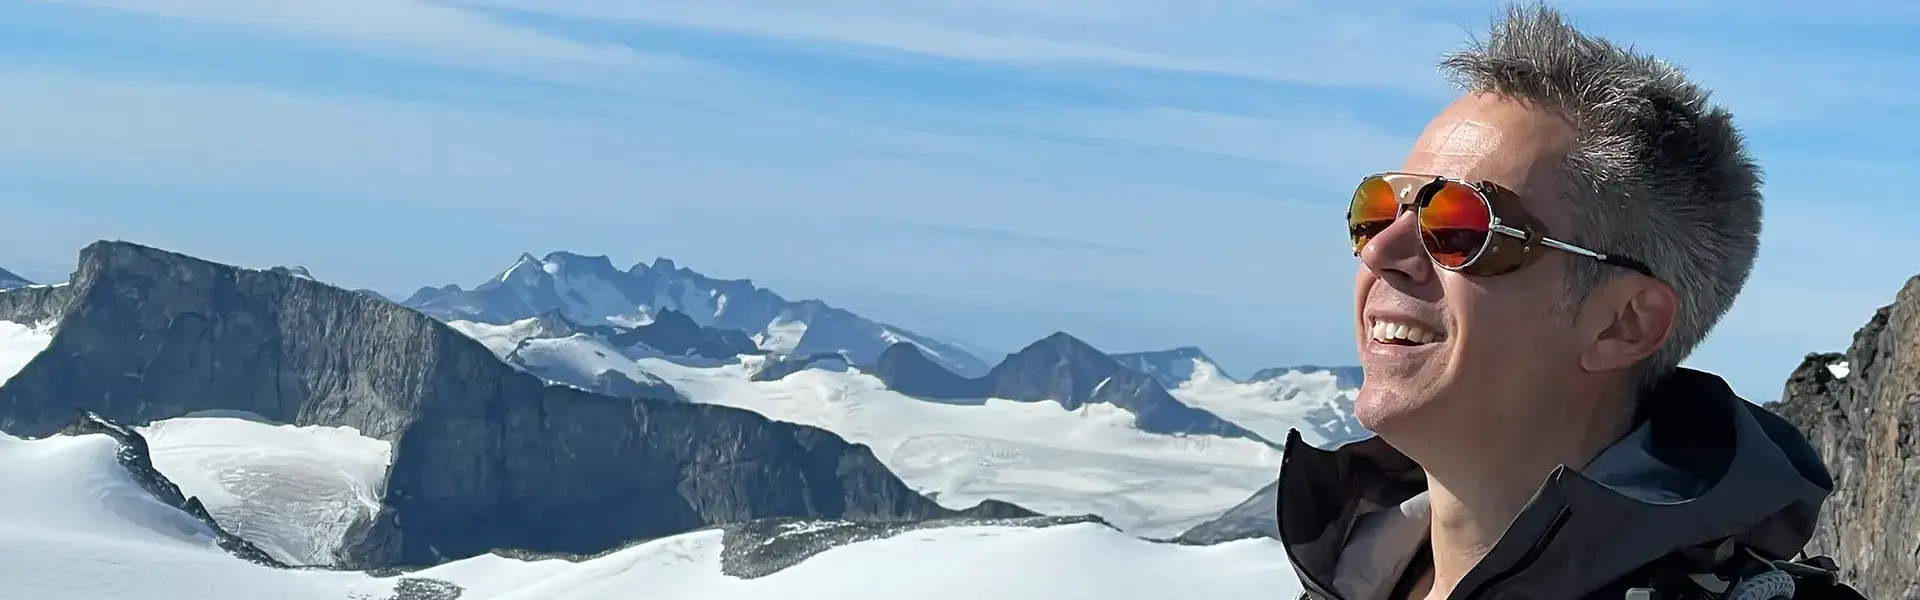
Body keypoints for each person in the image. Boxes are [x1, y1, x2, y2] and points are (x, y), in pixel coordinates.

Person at [1276, 4, 1863, 600]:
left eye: (1461, 226)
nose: (1381, 251)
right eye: (1380, 209)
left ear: (1623, 323)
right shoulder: (1352, 572)